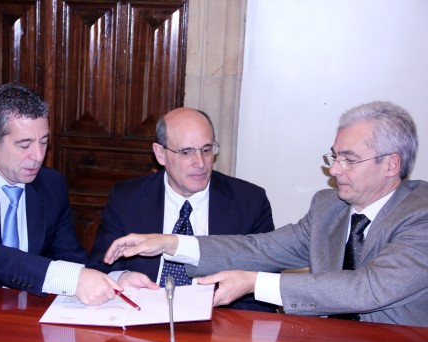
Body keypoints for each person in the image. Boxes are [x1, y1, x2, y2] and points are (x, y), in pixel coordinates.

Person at [103, 101, 428, 327]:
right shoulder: (329, 207)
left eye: (349, 160)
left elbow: (367, 288)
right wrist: (172, 244)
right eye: (334, 157)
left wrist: (253, 282)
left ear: (391, 164)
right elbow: (262, 248)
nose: (335, 170)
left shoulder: (420, 215)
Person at [0, 83, 133, 305]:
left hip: (23, 311)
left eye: (44, 142)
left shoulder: (52, 185)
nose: (38, 156)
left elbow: (70, 259)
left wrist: (115, 280)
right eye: (24, 145)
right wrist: (72, 279)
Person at [88, 107, 276, 311]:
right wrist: (122, 278)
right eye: (186, 152)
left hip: (218, 320)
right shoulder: (127, 198)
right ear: (160, 154)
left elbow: (264, 288)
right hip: (144, 315)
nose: (200, 163)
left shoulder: (250, 202)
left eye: (206, 150)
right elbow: (99, 268)